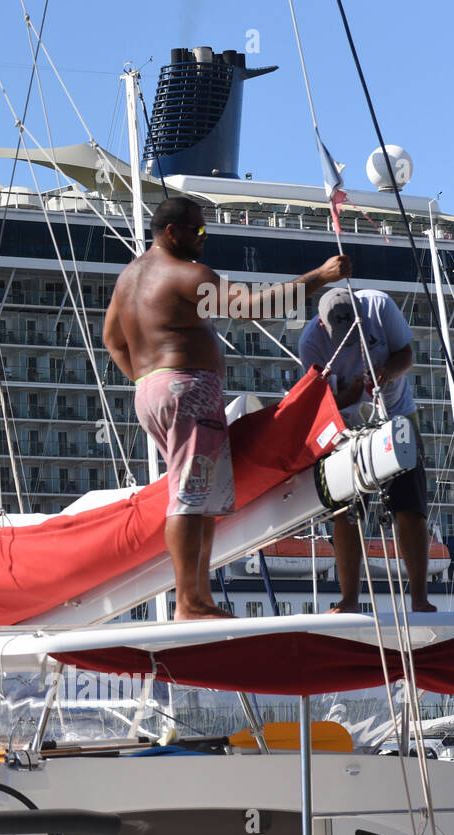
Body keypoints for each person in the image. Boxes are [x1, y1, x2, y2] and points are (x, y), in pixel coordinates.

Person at [103, 196, 350, 620]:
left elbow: (112, 339)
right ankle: (188, 602)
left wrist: (149, 380)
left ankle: (198, 598)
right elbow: (256, 307)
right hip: (188, 391)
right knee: (187, 497)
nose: (204, 238)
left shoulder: (129, 280)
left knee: (197, 496)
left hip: (154, 390)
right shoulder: (186, 274)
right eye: (197, 230)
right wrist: (321, 276)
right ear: (171, 233)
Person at [297, 287, 436, 614]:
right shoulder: (311, 343)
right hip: (345, 428)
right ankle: (349, 599)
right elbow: (323, 404)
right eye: (341, 337)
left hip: (397, 414)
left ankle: (419, 597)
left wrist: (387, 373)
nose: (347, 341)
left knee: (410, 509)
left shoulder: (379, 304)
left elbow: (406, 354)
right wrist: (354, 391)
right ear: (322, 324)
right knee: (345, 513)